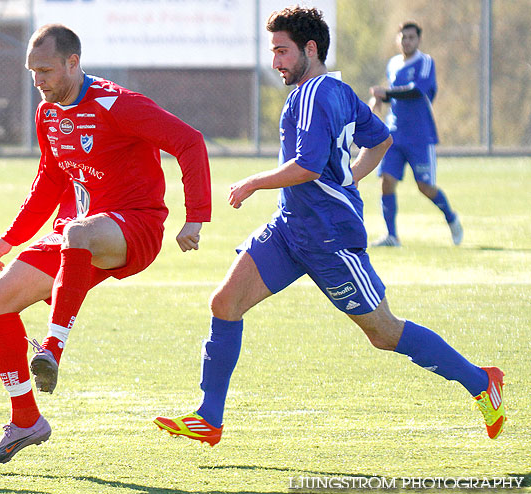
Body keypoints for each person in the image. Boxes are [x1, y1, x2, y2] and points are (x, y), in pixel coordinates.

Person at [154, 6, 504, 447]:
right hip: (290, 229)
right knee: (224, 303)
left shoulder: (314, 94)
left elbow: (307, 165)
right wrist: (349, 177)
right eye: (273, 52)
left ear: (310, 48)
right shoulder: (335, 89)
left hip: (331, 239)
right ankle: (209, 417)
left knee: (384, 332)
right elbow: (379, 141)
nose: (276, 61)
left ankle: (481, 381)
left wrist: (252, 183)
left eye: (282, 51)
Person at [0, 24, 212, 466]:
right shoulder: (47, 113)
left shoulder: (116, 103)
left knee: (77, 233)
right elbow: (50, 179)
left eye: (45, 70)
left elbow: (189, 142)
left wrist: (195, 216)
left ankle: (53, 348)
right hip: (75, 232)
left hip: (134, 227)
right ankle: (26, 420)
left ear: (73, 62)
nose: (37, 81)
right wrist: (12, 237)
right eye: (31, 71)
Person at [369, 22, 462, 247]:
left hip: (420, 135)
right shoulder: (393, 64)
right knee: (387, 180)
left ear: (418, 40)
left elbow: (417, 90)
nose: (407, 41)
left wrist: (386, 92)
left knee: (425, 187)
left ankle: (451, 218)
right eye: (403, 37)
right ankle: (392, 236)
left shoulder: (425, 62)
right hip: (394, 133)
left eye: (411, 37)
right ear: (398, 40)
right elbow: (396, 95)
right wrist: (380, 99)